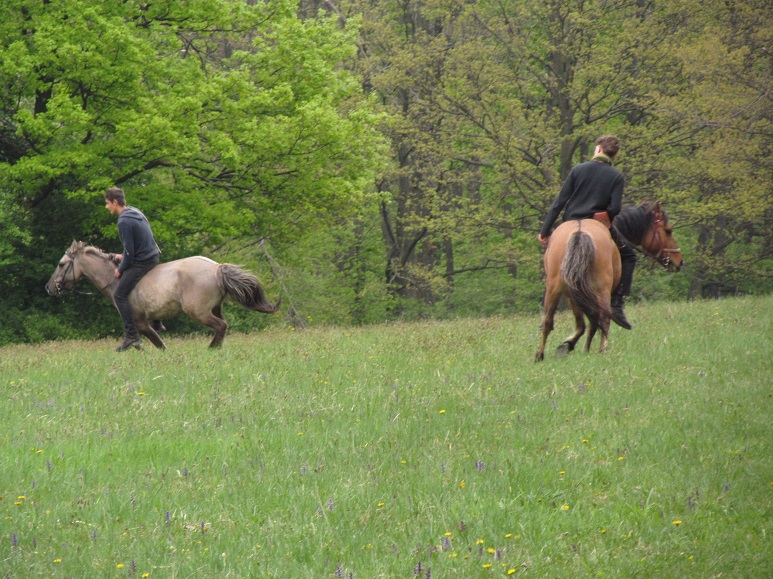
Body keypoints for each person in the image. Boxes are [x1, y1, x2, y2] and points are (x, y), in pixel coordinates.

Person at [537, 135, 636, 329]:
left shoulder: (578, 169)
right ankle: (617, 304)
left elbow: (559, 202)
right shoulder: (616, 176)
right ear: (614, 154)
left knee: (554, 261)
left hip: (570, 223)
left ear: (598, 149)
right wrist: (603, 214)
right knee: (630, 256)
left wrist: (545, 230)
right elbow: (615, 208)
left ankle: (547, 306)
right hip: (597, 224)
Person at [105, 187, 161, 351]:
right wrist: (121, 256)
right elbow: (134, 247)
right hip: (152, 255)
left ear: (115, 202)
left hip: (142, 261)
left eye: (108, 203)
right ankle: (157, 321)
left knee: (119, 294)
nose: (107, 207)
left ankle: (131, 336)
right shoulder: (135, 212)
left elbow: (130, 252)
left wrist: (120, 268)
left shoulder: (123, 221)